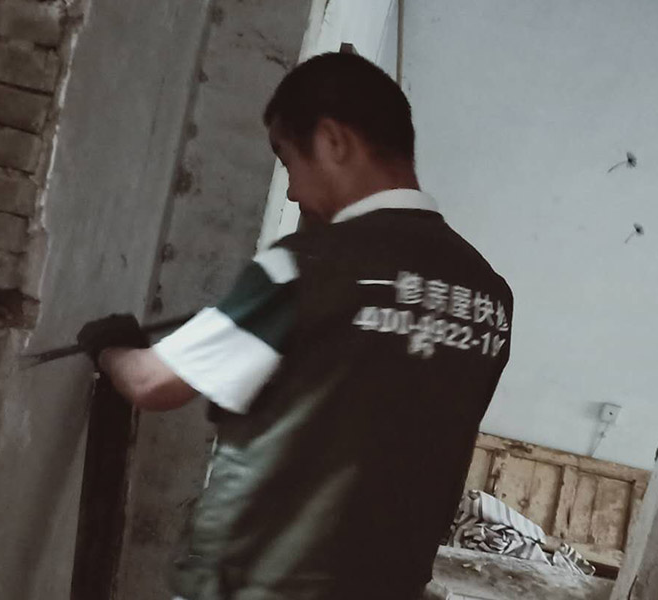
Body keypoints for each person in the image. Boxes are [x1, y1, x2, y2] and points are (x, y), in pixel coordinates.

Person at [77, 52, 513, 600]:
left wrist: (110, 346)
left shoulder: (306, 265)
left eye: (289, 163)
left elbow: (152, 383)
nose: (293, 193)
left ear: (332, 141)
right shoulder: (490, 296)